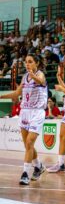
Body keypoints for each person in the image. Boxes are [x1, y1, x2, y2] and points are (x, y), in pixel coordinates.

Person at [0, 54, 47, 185]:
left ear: (36, 63)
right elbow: (16, 93)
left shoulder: (40, 74)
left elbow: (41, 81)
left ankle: (25, 173)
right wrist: (1, 97)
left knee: (30, 141)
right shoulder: (25, 77)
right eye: (26, 62)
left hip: (37, 112)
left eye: (30, 62)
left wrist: (34, 76)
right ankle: (39, 166)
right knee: (28, 144)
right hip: (25, 112)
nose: (27, 64)